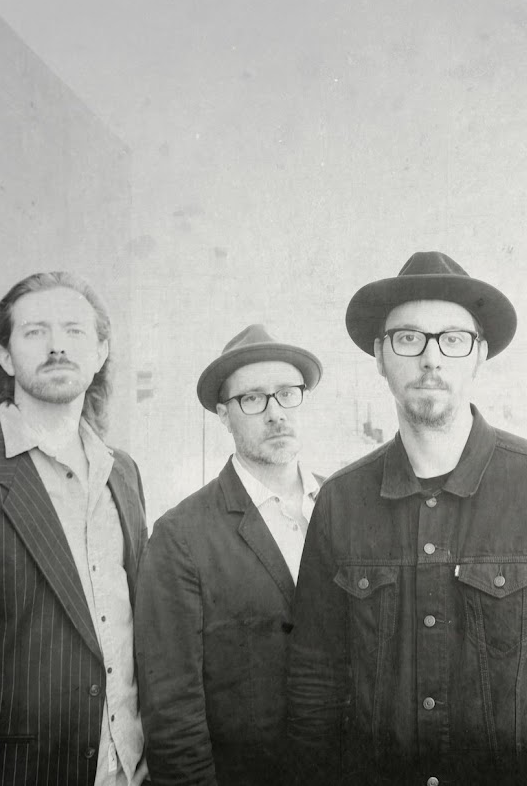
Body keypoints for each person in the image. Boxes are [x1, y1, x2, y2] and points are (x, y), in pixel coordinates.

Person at [286, 251, 527, 785]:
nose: (430, 358)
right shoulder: (340, 501)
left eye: (453, 339)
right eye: (408, 338)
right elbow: (315, 687)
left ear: (479, 354)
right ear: (379, 355)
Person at [0, 272, 148, 786]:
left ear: (100, 352)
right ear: (4, 356)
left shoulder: (123, 472)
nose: (56, 346)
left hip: (129, 768)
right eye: (35, 332)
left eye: (74, 331)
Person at [135, 324, 323, 785]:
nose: (275, 414)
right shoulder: (181, 536)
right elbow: (172, 711)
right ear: (224, 415)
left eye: (287, 394)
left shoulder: (344, 507)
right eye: (253, 399)